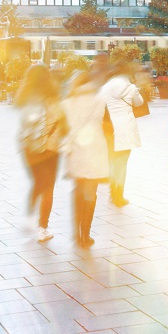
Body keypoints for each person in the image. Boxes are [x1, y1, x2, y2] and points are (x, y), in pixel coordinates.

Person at [15, 65, 68, 242]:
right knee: (48, 188)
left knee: (37, 183)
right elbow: (65, 125)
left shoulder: (24, 99)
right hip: (49, 149)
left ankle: (29, 218)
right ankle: (42, 228)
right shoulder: (53, 99)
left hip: (28, 149)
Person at [61, 71, 109, 247]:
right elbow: (107, 125)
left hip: (75, 151)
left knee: (78, 190)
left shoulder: (66, 103)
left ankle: (76, 231)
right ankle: (85, 235)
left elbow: (63, 128)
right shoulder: (99, 100)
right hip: (95, 150)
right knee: (90, 193)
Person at [101, 62, 143, 207]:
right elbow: (139, 103)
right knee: (122, 163)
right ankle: (119, 195)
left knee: (112, 161)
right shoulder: (130, 87)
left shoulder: (104, 87)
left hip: (110, 128)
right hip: (125, 129)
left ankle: (112, 191)